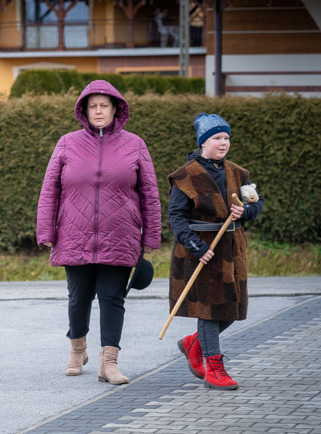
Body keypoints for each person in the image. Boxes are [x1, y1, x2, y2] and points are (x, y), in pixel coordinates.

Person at [36, 80, 161, 385]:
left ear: (116, 108)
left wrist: (152, 235)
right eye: (93, 106)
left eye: (104, 105)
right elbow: (50, 190)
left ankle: (109, 363)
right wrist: (45, 231)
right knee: (78, 298)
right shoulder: (67, 143)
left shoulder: (136, 145)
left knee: (112, 298)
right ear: (84, 110)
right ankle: (77, 351)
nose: (98, 111)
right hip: (74, 234)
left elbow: (150, 193)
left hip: (120, 235)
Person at [168, 113, 263, 390]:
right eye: (216, 138)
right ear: (203, 143)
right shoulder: (185, 176)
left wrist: (245, 211)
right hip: (200, 252)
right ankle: (214, 367)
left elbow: (258, 204)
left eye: (226, 138)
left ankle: (193, 343)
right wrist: (197, 247)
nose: (223, 143)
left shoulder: (238, 173)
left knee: (232, 309)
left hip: (232, 251)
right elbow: (176, 217)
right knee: (209, 311)